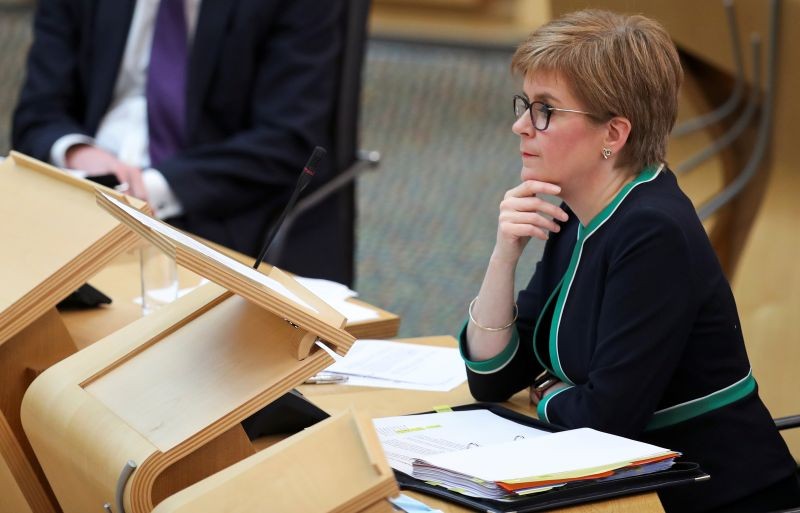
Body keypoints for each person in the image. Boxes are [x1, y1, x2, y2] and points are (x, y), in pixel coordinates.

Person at [459, 10, 799, 513]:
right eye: (525, 105)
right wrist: (504, 254)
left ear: (613, 135)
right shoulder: (577, 211)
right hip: (636, 490)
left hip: (722, 497)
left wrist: (547, 392)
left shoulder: (653, 232)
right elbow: (492, 378)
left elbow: (603, 421)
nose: (520, 126)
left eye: (545, 110)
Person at [12, 0, 353, 285]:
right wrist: (76, 152)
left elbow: (287, 142)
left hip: (205, 214)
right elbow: (38, 112)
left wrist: (150, 187)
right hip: (77, 196)